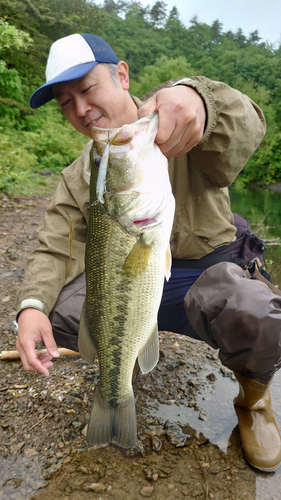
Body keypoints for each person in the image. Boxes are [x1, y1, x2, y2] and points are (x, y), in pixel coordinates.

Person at [15, 33, 281, 472]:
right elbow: (53, 246)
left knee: (257, 310)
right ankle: (123, 371)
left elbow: (248, 127)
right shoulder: (79, 173)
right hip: (133, 285)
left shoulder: (176, 121)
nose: (80, 109)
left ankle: (253, 402)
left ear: (121, 74)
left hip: (205, 277)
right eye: (65, 102)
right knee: (59, 313)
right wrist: (30, 306)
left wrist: (199, 98)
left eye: (87, 88)